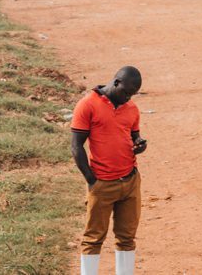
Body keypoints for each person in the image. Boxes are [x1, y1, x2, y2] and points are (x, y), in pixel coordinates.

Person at [71, 66, 147, 275]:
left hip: (130, 181)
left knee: (127, 238)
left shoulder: (131, 108)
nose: (128, 98)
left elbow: (134, 136)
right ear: (116, 83)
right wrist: (92, 180)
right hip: (102, 183)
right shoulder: (88, 105)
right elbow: (76, 146)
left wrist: (140, 144)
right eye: (125, 93)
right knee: (93, 238)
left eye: (132, 94)